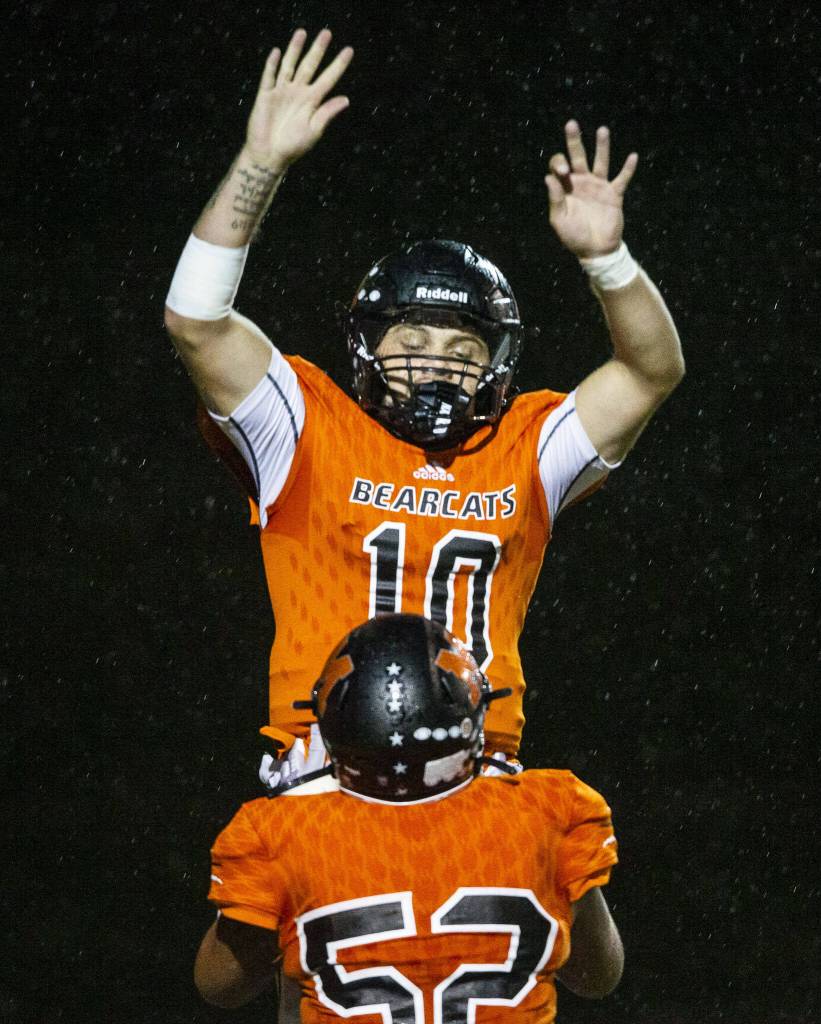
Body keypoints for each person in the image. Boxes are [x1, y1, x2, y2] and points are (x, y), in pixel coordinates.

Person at [164, 28, 684, 777]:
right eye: (414, 339)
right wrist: (261, 163)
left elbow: (649, 370)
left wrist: (607, 259)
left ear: (495, 365)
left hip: (479, 775)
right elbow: (195, 320)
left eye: (464, 349)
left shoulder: (524, 444)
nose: (437, 365)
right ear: (369, 348)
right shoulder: (305, 425)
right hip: (325, 771)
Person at [194, 614, 624, 1022]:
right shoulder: (547, 813)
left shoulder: (285, 835)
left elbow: (219, 985)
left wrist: (293, 893)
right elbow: (598, 974)